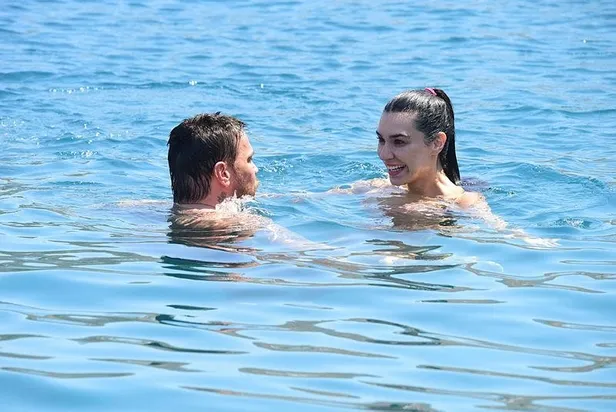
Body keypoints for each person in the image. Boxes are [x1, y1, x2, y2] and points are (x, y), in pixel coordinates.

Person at [375, 87, 482, 207]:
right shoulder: (377, 189)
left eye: (399, 142)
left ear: (437, 143)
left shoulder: (463, 204)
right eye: (381, 140)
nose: (383, 155)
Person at [167, 112, 259, 209]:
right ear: (223, 173)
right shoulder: (239, 218)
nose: (255, 169)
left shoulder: (159, 207)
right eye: (249, 160)